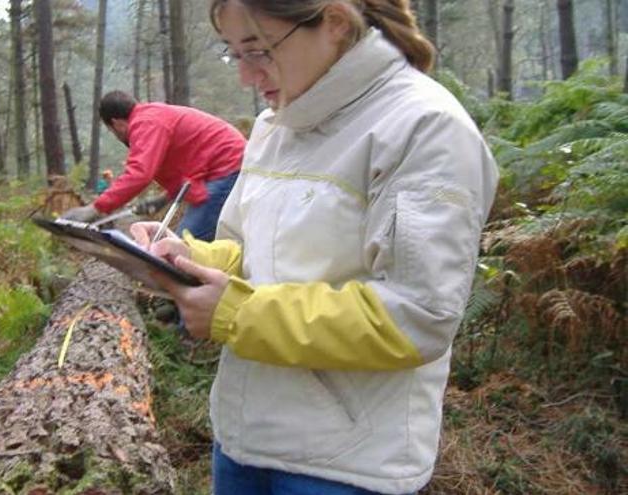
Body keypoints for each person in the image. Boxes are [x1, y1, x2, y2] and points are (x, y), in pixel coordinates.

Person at [129, 1, 500, 494]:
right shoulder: (274, 126)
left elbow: (417, 315)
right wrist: (188, 258)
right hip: (244, 438)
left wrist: (236, 314)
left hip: (345, 465)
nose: (245, 75)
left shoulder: (424, 128)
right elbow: (246, 249)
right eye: (233, 53)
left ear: (336, 24)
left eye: (258, 51)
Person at [60, 90, 246, 241]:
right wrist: (164, 199)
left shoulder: (145, 123)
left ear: (115, 124)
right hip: (225, 168)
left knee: (180, 250)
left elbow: (140, 173)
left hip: (228, 168)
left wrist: (95, 209)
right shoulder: (151, 117)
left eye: (112, 131)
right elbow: (189, 166)